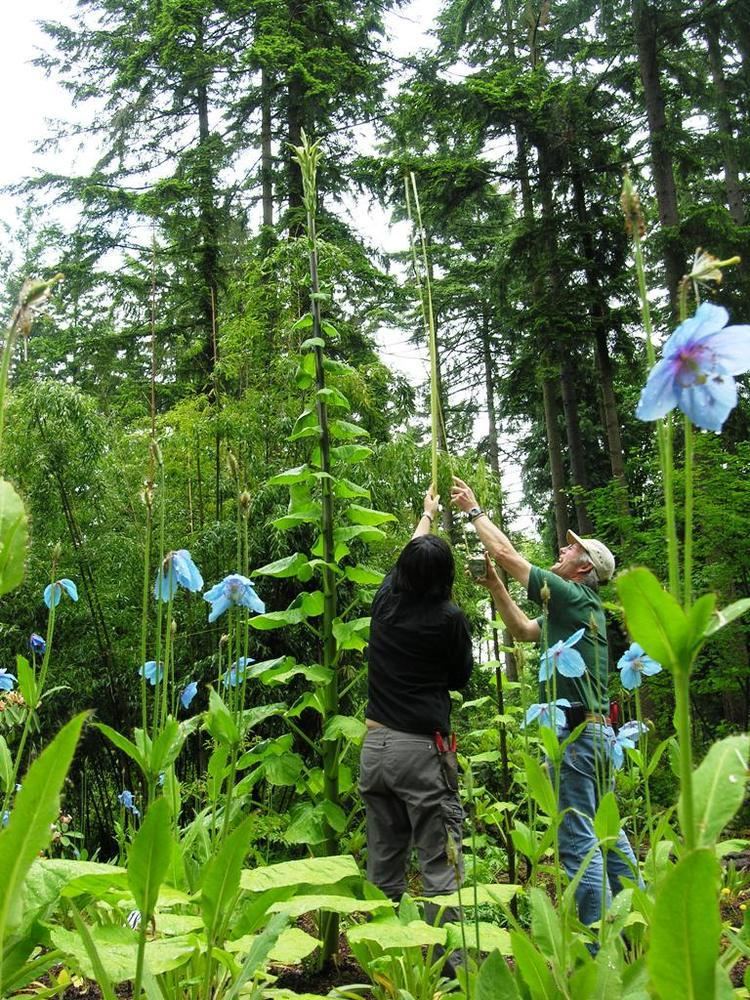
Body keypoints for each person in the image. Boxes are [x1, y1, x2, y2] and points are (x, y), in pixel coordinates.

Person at [450, 475, 640, 929]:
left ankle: (594, 950)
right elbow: (522, 631)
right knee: (610, 836)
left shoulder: (573, 597)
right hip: (596, 738)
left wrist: (475, 510)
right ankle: (641, 922)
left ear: (583, 569)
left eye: (571, 549)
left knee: (579, 842)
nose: (562, 549)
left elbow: (506, 553)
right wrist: (496, 587)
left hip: (575, 739)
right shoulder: (574, 609)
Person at [359, 487, 473, 920]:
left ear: (402, 572)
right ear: (447, 575)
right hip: (422, 752)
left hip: (375, 750)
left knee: (384, 868)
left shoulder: (385, 602)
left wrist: (427, 515)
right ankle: (449, 971)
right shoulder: (449, 618)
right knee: (440, 865)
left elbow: (410, 553)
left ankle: (387, 967)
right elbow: (460, 677)